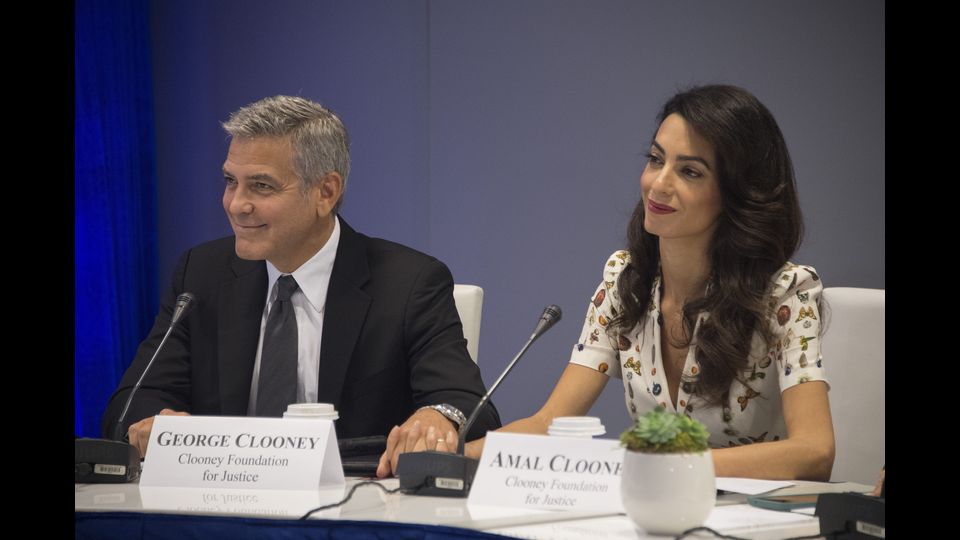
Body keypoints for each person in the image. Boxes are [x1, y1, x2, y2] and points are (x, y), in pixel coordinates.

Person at [378, 85, 834, 481]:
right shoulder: (626, 282)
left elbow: (815, 453)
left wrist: (662, 466)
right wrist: (448, 456)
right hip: (651, 513)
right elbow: (547, 424)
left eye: (689, 171)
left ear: (738, 193)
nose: (658, 184)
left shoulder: (785, 293)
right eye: (656, 160)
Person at [102, 95, 501, 457]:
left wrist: (437, 416)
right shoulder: (202, 274)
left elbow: (467, 403)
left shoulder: (409, 282)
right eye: (230, 182)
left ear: (325, 192)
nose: (237, 204)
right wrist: (158, 420)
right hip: (220, 501)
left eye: (261, 186)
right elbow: (132, 400)